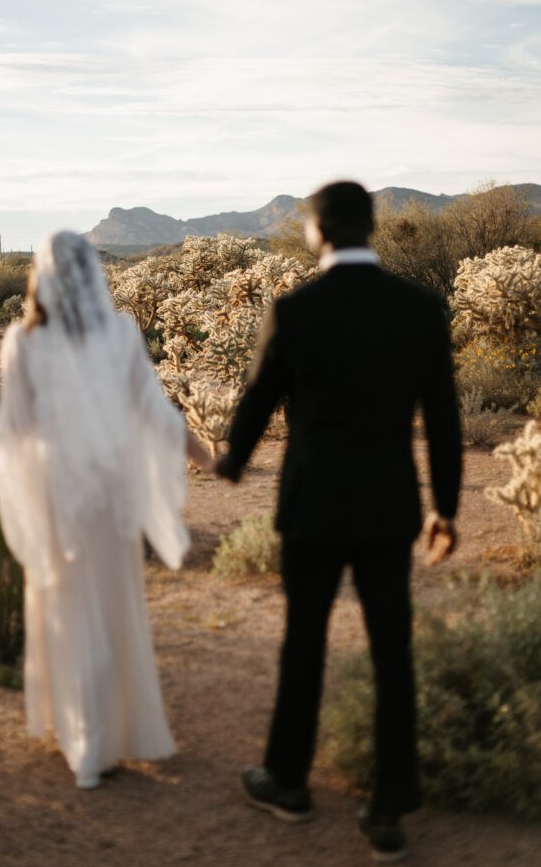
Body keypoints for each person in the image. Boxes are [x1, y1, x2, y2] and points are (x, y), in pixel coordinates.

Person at [216, 180, 461, 863]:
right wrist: (445, 506)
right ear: (371, 229)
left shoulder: (294, 310)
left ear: (318, 232)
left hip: (313, 505)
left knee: (304, 642)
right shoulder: (418, 310)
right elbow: (442, 419)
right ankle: (387, 809)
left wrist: (232, 461)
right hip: (388, 504)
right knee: (391, 651)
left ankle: (287, 781)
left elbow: (259, 396)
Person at [0, 231, 213, 789]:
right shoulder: (121, 332)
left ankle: (88, 744)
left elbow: (18, 429)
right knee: (112, 605)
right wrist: (205, 455)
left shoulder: (23, 340)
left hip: (58, 493)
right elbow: (153, 410)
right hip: (110, 492)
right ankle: (110, 733)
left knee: (68, 609)